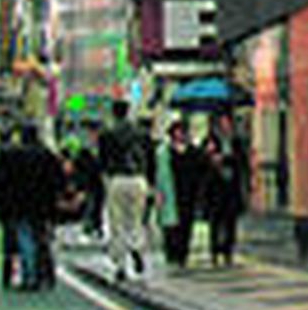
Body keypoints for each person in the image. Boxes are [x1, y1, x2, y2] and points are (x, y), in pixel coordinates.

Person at [0, 125, 65, 291]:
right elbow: (58, 180)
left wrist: (1, 204)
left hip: (18, 205)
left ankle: (29, 277)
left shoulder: (11, 156)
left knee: (23, 238)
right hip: (42, 205)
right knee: (41, 239)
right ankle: (46, 275)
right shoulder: (47, 155)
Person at [98, 100, 154, 280]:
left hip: (117, 179)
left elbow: (103, 161)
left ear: (114, 113)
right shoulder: (141, 134)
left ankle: (120, 264)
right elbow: (150, 158)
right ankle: (136, 248)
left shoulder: (106, 134)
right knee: (136, 220)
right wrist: (150, 181)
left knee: (117, 223)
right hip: (139, 178)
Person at [199, 112, 249, 268]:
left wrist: (227, 159)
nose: (225, 126)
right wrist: (210, 156)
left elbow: (242, 162)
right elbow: (201, 163)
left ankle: (228, 252)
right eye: (222, 123)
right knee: (215, 222)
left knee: (230, 222)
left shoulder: (236, 142)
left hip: (231, 188)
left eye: (227, 123)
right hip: (215, 189)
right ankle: (214, 252)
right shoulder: (209, 141)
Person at [156, 118, 202, 269]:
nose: (180, 134)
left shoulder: (193, 151)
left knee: (186, 224)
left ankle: (183, 253)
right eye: (177, 131)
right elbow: (156, 173)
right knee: (169, 225)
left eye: (183, 131)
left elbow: (199, 171)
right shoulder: (164, 152)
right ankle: (171, 253)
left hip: (188, 192)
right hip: (170, 192)